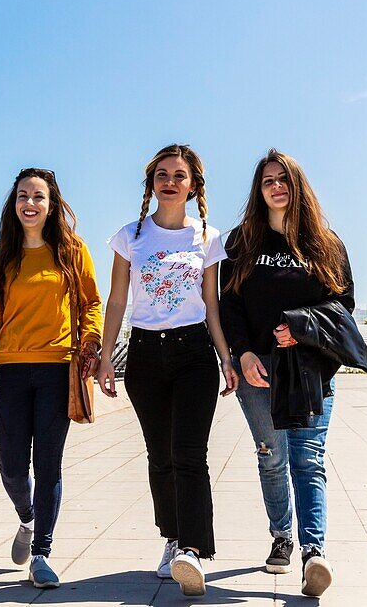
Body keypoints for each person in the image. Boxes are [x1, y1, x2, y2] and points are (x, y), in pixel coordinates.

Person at [94, 144, 238, 597]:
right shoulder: (130, 236)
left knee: (189, 453)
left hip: (194, 352)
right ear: (151, 183)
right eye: (161, 174)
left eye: (179, 174)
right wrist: (104, 356)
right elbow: (117, 300)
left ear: (193, 185)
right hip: (144, 356)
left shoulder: (208, 238)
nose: (170, 181)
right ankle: (172, 538)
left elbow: (212, 303)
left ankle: (193, 550)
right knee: (160, 456)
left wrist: (226, 356)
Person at [0, 168, 103, 590]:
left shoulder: (72, 250)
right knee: (11, 466)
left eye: (39, 196)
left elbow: (92, 301)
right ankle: (27, 517)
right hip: (13, 371)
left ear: (51, 203)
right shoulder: (0, 255)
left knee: (48, 464)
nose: (31, 204)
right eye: (23, 196)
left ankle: (42, 552)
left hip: (58, 369)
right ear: (14, 203)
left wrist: (91, 341)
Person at [220, 149, 354, 597]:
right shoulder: (241, 243)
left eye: (284, 179)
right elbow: (229, 305)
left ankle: (314, 553)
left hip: (311, 371)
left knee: (308, 459)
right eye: (267, 181)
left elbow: (344, 309)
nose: (276, 187)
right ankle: (282, 535)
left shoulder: (326, 245)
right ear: (259, 191)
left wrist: (301, 330)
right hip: (258, 371)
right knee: (271, 457)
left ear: (298, 186)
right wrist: (242, 354)